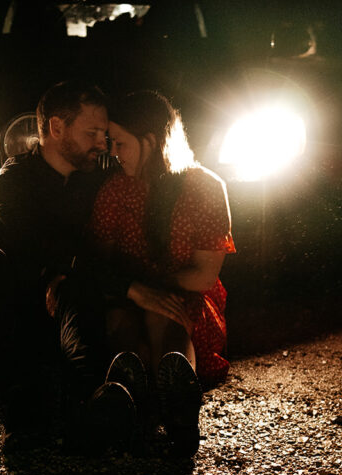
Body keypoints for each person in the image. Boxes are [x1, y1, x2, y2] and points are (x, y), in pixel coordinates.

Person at [0, 80, 134, 452]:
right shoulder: (13, 182)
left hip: (72, 306)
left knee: (80, 285)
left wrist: (68, 271)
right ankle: (20, 407)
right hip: (20, 312)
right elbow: (32, 247)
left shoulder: (96, 179)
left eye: (105, 134)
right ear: (56, 128)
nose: (102, 144)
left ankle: (91, 403)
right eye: (92, 133)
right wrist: (66, 268)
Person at [88, 89, 235, 455]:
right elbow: (99, 261)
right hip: (127, 295)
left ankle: (176, 391)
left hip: (182, 300)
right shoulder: (116, 190)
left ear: (150, 142)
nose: (113, 151)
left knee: (165, 314)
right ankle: (125, 389)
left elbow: (202, 277)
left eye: (120, 142)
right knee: (123, 320)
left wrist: (155, 287)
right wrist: (134, 288)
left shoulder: (204, 187)